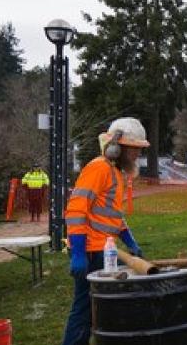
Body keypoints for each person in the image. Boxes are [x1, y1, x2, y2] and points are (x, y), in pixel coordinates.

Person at [62, 117, 149, 345]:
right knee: (84, 308)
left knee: (98, 308)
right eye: (134, 150)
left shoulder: (116, 173)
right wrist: (79, 253)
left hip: (103, 251)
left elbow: (113, 215)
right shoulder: (98, 168)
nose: (137, 155)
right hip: (89, 252)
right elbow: (75, 210)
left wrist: (130, 241)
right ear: (117, 147)